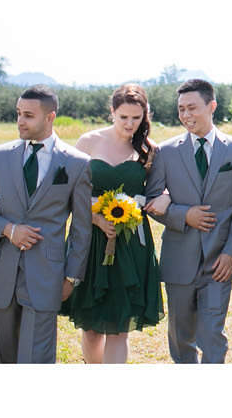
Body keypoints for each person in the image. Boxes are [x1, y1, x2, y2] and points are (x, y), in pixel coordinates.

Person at [0, 85, 92, 364]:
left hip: (47, 277)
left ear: (50, 117)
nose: (20, 121)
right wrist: (8, 230)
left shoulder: (77, 163)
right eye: (18, 113)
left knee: (37, 360)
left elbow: (81, 229)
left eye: (29, 115)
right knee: (3, 359)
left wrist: (72, 277)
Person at [61, 84, 173, 362]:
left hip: (130, 241)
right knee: (91, 328)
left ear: (145, 116)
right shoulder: (88, 142)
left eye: (136, 118)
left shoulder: (149, 150)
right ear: (112, 112)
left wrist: (167, 197)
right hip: (91, 240)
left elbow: (158, 190)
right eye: (123, 117)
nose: (130, 124)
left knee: (120, 327)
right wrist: (95, 218)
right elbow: (67, 191)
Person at [146, 78, 232, 364]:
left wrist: (231, 255)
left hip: (219, 262)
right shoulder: (165, 152)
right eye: (181, 109)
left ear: (212, 106)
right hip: (179, 261)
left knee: (213, 335)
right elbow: (152, 202)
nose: (186, 115)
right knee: (181, 336)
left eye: (192, 108)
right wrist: (184, 215)